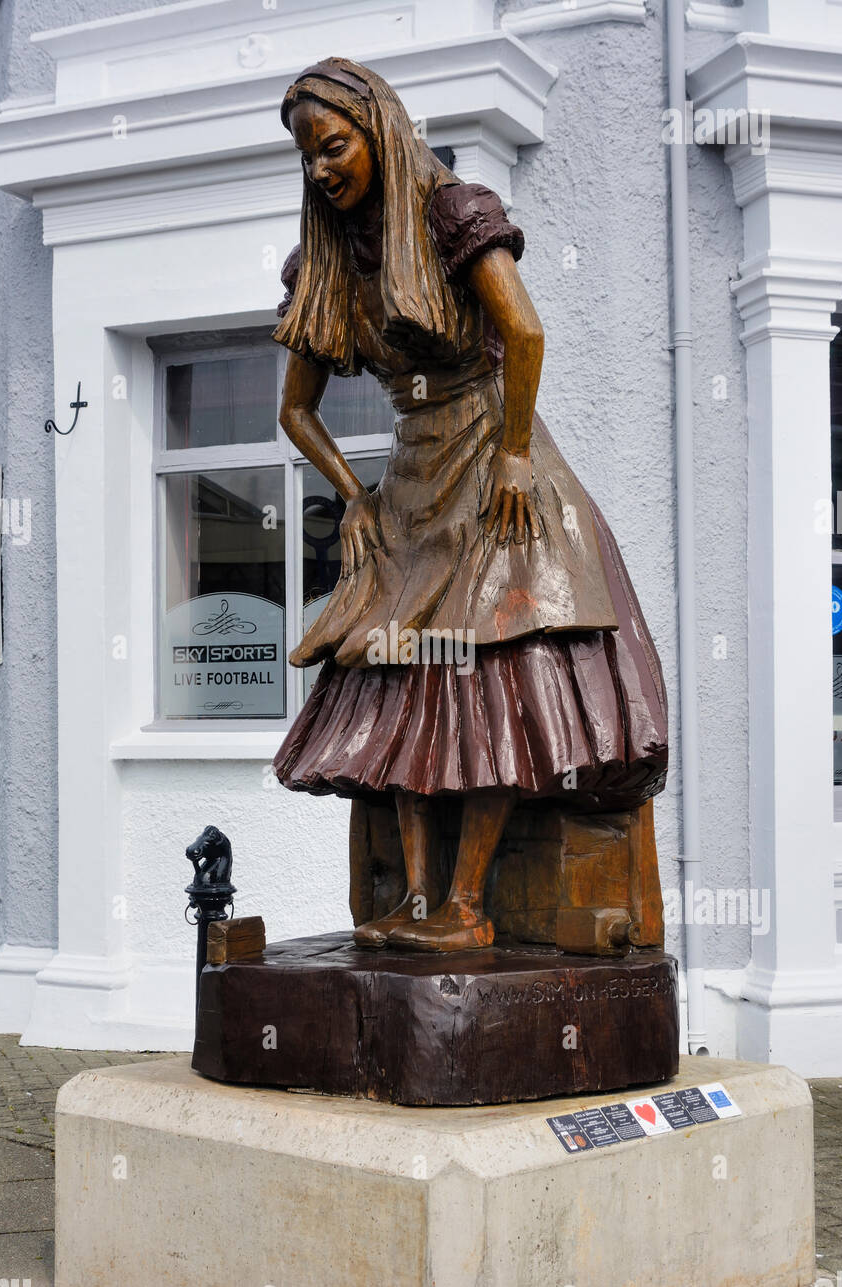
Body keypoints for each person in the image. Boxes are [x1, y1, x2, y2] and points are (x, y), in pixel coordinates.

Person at [272, 57, 667, 953]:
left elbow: (524, 332)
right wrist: (353, 500)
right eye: (307, 158)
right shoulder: (324, 259)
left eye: (333, 146)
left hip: (494, 457)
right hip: (413, 473)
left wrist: (518, 458)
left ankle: (469, 906)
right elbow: (295, 410)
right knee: (409, 675)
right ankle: (417, 903)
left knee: (486, 676)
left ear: (378, 129)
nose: (321, 169)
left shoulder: (452, 212)